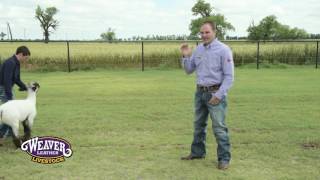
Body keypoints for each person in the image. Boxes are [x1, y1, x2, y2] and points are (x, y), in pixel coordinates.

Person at [180, 21, 234, 170]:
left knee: (219, 128)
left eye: (207, 32)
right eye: (202, 33)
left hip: (215, 93)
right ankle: (197, 152)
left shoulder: (224, 50)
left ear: (214, 32)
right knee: (198, 125)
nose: (204, 35)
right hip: (200, 93)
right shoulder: (198, 50)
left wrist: (219, 95)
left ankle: (224, 159)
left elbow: (229, 77)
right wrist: (185, 56)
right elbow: (189, 70)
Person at [0, 46, 30, 145]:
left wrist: (26, 87)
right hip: (4, 88)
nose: (26, 60)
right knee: (10, 114)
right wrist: (9, 98)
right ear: (21, 54)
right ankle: (2, 134)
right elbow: (6, 80)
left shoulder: (16, 63)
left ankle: (8, 132)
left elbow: (16, 79)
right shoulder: (10, 63)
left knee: (10, 113)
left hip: (8, 88)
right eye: (25, 58)